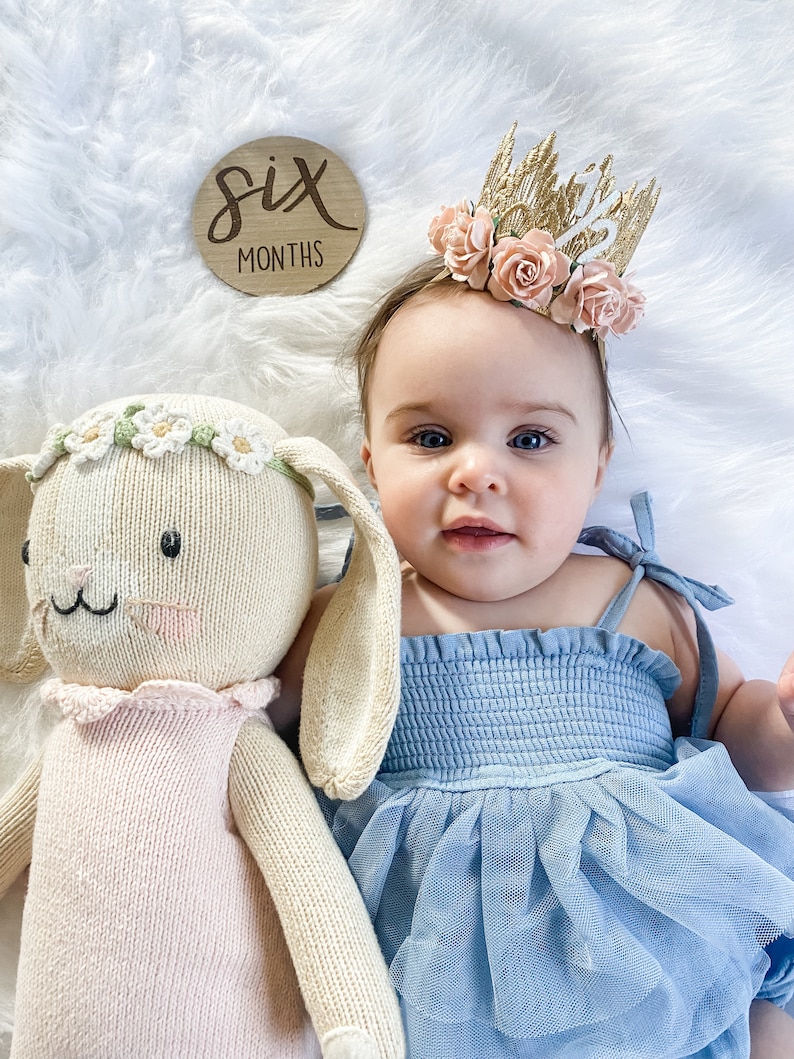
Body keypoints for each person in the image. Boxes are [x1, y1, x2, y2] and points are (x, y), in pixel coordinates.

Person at [274, 128, 794, 1058]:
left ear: (597, 467)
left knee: (749, 1008)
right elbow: (266, 731)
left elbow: (733, 741)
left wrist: (784, 721)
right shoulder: (351, 612)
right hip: (420, 965)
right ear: (367, 465)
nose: (477, 472)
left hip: (641, 957)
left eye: (531, 440)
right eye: (430, 438)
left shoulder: (632, 600)